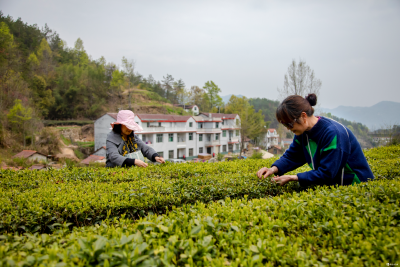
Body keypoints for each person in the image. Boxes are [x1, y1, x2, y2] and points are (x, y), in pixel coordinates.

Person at [257, 94, 374, 186]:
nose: (288, 128)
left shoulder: (333, 134)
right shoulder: (302, 132)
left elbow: (327, 173)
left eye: (290, 124)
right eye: (285, 125)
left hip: (356, 185)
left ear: (303, 116)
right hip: (335, 185)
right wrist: (272, 169)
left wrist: (293, 177)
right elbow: (292, 156)